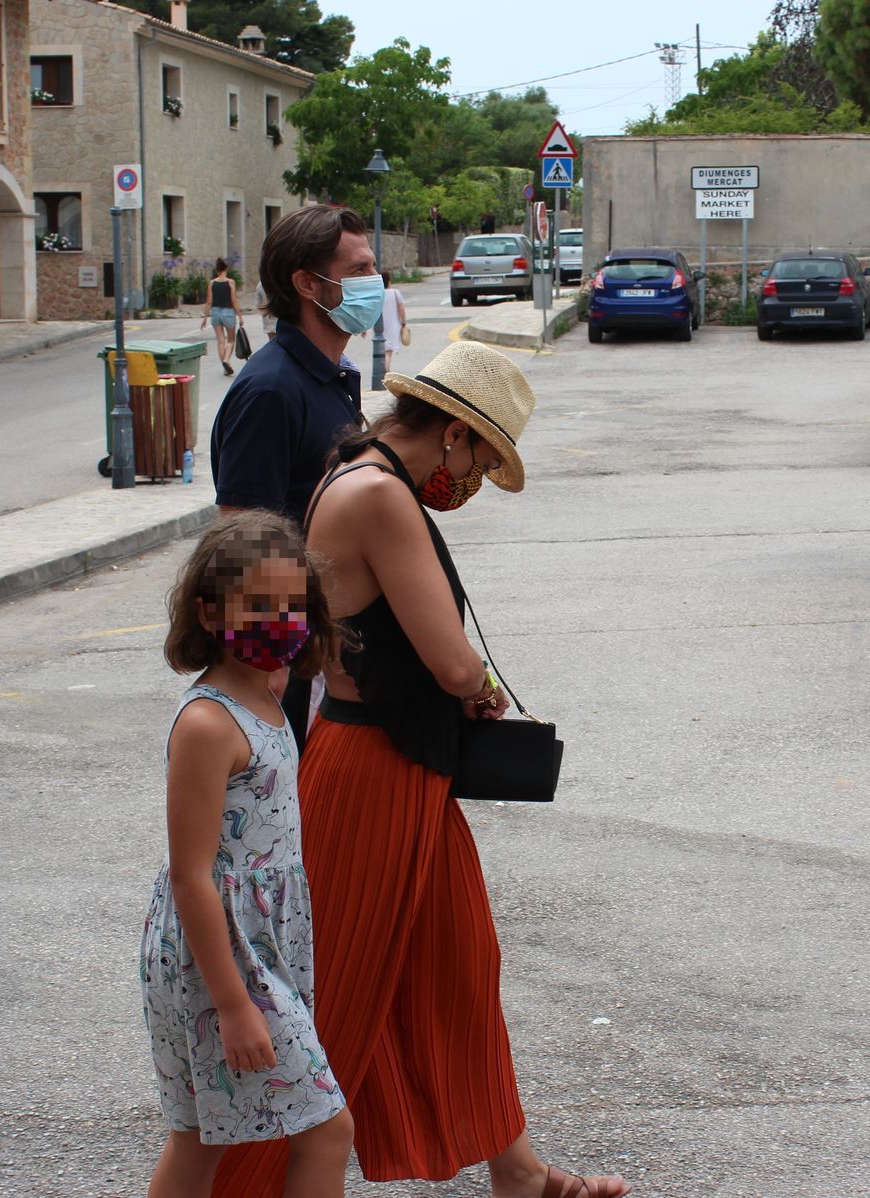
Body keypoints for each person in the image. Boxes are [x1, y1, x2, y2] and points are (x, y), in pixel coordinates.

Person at [211, 343, 631, 1198]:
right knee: (336, 993)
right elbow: (446, 660)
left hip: (386, 759)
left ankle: (517, 1172)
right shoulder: (380, 496)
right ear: (452, 434)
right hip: (375, 773)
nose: (473, 476)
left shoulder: (354, 473)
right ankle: (236, 1182)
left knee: (459, 969)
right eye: (480, 455)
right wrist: (481, 690)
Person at [140, 511, 354, 1198]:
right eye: (258, 606)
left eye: (292, 605)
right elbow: (191, 873)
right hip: (221, 959)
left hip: (263, 945)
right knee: (326, 1127)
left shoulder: (269, 688)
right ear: (210, 612)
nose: (280, 620)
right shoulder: (208, 723)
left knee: (201, 1136)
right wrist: (233, 1005)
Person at [209, 204, 382, 529]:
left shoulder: (330, 373)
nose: (376, 281)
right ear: (306, 284)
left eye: (374, 267)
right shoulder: (271, 391)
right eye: (359, 271)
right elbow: (243, 545)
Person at [202, 258, 244, 377]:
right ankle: (226, 360)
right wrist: (240, 315)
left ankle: (225, 367)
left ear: (217, 270)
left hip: (215, 312)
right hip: (228, 312)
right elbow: (234, 300)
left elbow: (209, 301)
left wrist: (205, 318)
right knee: (231, 340)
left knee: (221, 341)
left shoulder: (212, 283)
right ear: (226, 269)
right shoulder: (230, 282)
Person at [379, 270, 406, 373]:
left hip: (380, 325)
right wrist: (404, 322)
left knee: (383, 348)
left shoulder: (379, 294)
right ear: (389, 281)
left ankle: (385, 369)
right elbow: (401, 309)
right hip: (393, 324)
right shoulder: (395, 293)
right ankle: (386, 370)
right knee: (388, 350)